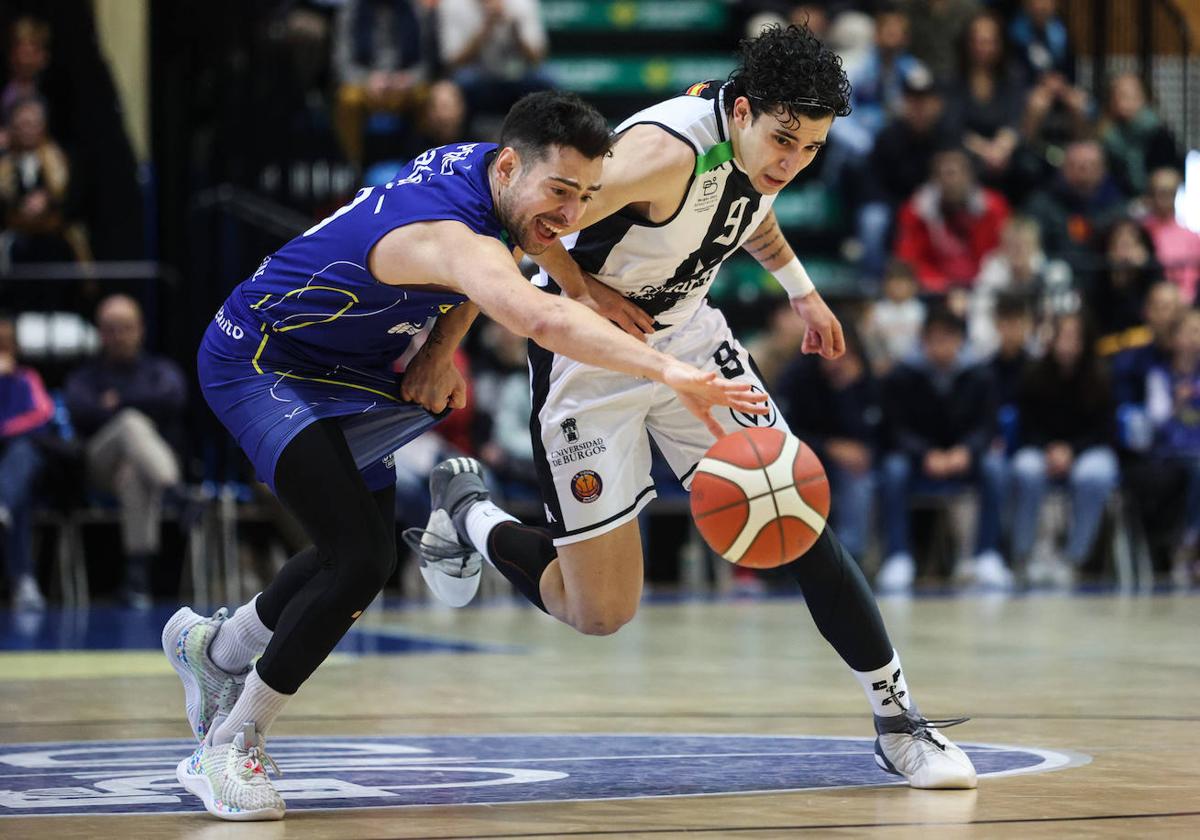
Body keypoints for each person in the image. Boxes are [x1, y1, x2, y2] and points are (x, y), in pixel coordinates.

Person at [161, 91, 764, 822]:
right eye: (561, 193)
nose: (572, 217)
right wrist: (667, 369)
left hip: (351, 366)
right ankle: (229, 744)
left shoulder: (491, 174)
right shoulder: (453, 235)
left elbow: (525, 239)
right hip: (261, 358)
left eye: (586, 196)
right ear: (512, 166)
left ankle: (216, 649)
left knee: (352, 549)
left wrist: (492, 325)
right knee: (361, 559)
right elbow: (535, 314)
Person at [412, 24, 978, 791]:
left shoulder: (754, 149)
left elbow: (750, 210)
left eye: (812, 148)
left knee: (797, 509)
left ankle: (898, 719)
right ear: (741, 111)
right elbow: (516, 220)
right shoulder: (662, 152)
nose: (794, 161)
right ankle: (467, 507)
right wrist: (562, 299)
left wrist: (802, 292)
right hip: (590, 359)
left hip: (688, 341)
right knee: (600, 612)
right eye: (785, 139)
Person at [64, 294, 186, 608]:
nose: (119, 336)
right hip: (98, 466)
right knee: (131, 423)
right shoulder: (85, 375)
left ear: (140, 329)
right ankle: (174, 489)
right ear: (100, 332)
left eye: (126, 327)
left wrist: (117, 401)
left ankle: (137, 579)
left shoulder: (160, 368)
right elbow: (80, 410)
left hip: (141, 467)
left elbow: (174, 398)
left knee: (133, 471)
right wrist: (134, 405)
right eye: (111, 328)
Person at [878, 306, 1007, 590]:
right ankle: (898, 556)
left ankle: (987, 554)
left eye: (948, 338)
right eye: (934, 339)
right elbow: (895, 429)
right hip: (919, 459)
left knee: (995, 468)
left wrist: (966, 451)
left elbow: (987, 426)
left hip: (964, 458)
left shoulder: (980, 375)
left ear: (961, 340)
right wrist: (925, 454)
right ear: (923, 340)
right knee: (893, 470)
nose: (941, 346)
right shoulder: (902, 376)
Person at [1010, 313, 1118, 587]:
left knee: (1093, 475)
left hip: (1088, 450)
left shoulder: (1101, 376)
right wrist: (1050, 449)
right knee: (1025, 468)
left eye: (1074, 337)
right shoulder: (1033, 374)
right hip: (1042, 449)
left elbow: (1104, 431)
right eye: (1062, 335)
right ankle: (1025, 555)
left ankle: (1074, 558)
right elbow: (1027, 426)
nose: (1067, 344)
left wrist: (1072, 450)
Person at [893, 146, 1010, 295]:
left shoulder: (994, 209)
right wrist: (941, 287)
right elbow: (909, 260)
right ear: (933, 179)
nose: (948, 181)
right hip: (934, 291)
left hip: (985, 286)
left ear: (969, 175)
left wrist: (982, 285)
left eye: (953, 173)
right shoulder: (916, 211)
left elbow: (1001, 253)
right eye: (941, 174)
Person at [0, 313, 53, 610]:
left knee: (21, 460)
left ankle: (2, 504)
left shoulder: (26, 378)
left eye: (6, 344)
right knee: (14, 498)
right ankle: (23, 581)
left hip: (20, 461)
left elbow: (42, 417)